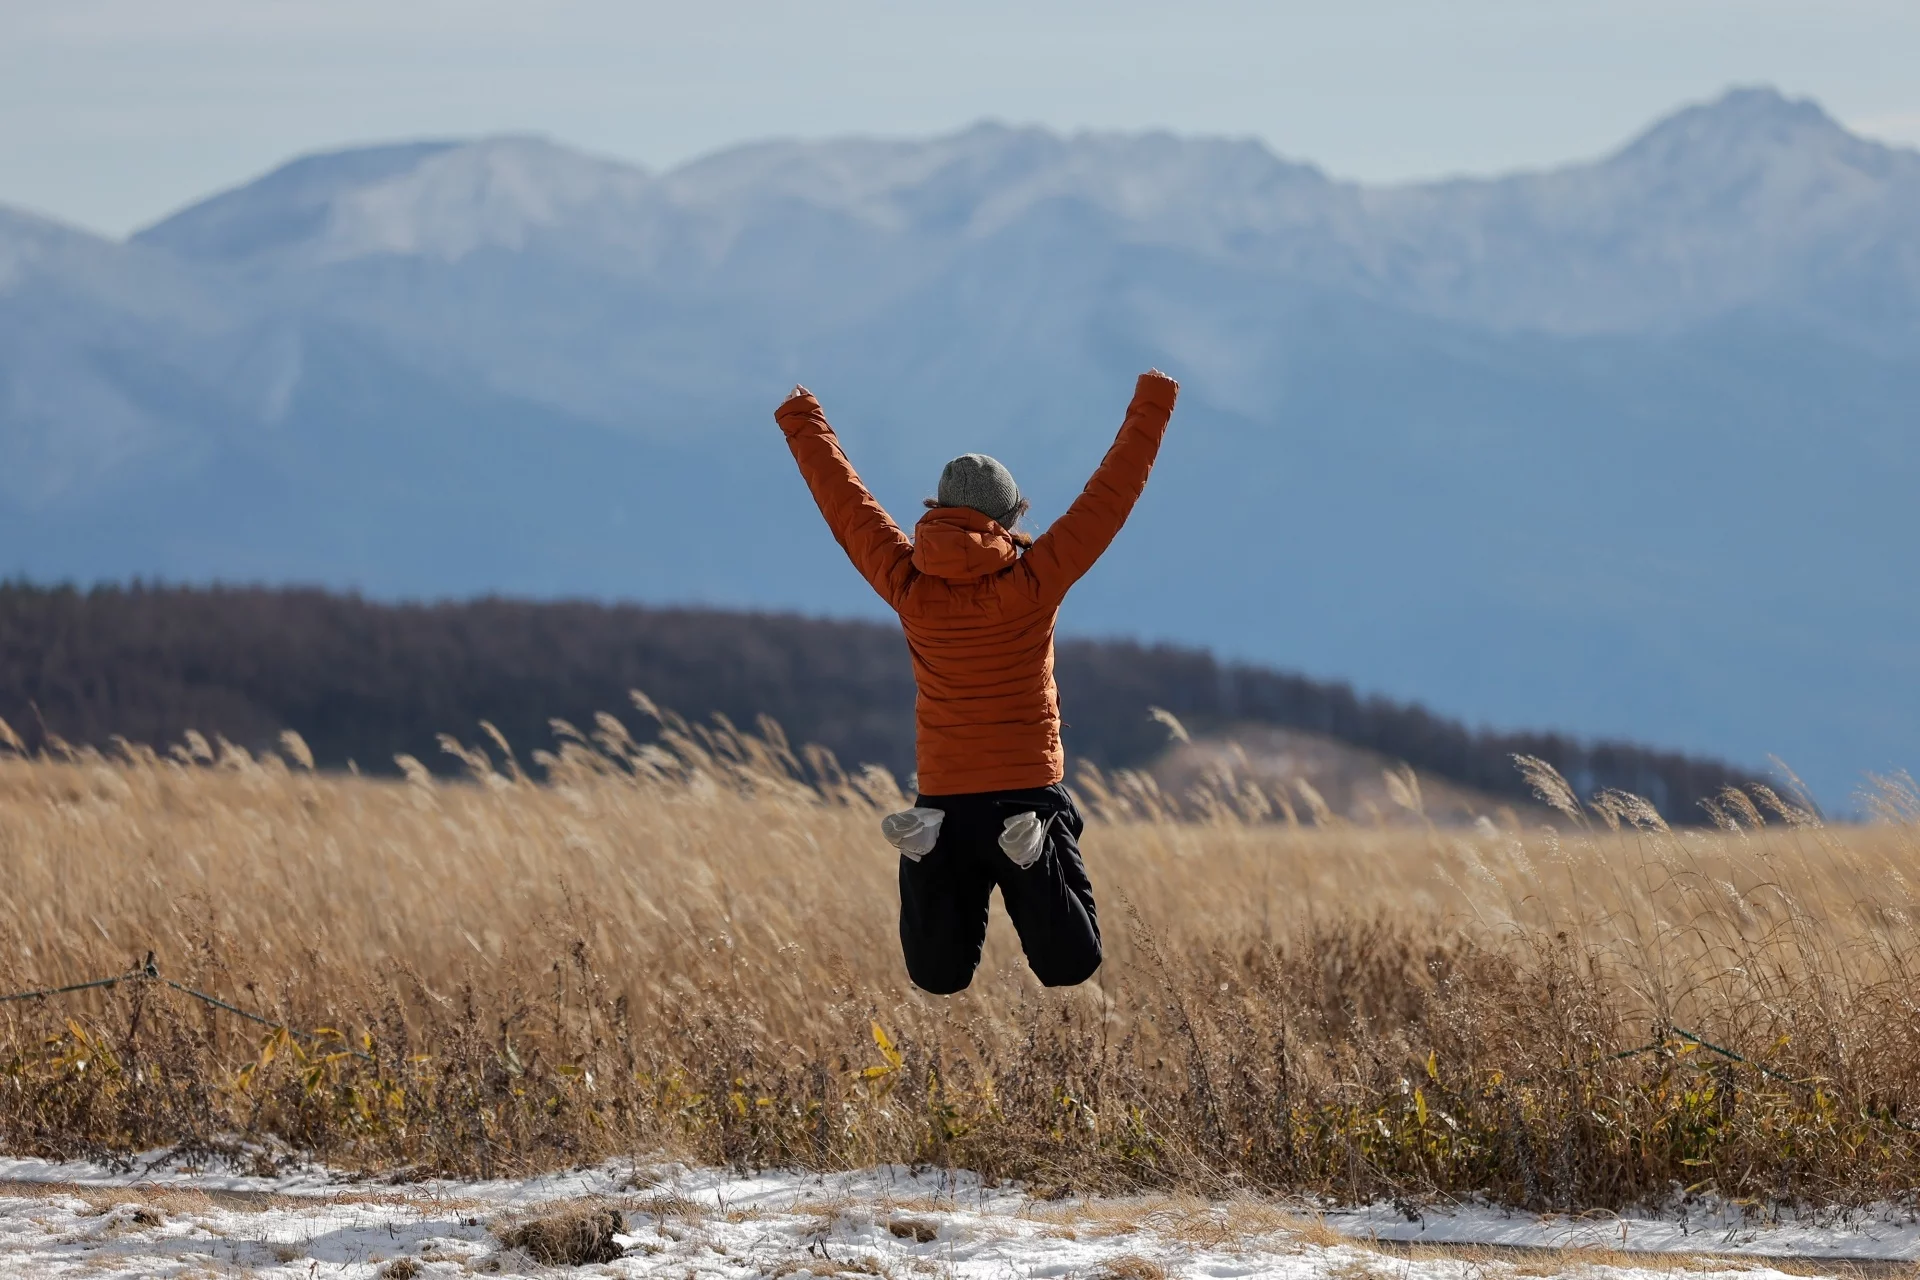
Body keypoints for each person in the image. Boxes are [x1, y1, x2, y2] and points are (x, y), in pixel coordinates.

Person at [775, 370, 1180, 993]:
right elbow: (1111, 494)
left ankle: (925, 855)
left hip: (945, 801)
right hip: (1027, 795)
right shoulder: (1035, 580)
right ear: (1011, 516)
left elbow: (845, 503)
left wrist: (803, 420)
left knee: (939, 975)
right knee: (1072, 962)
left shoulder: (906, 582)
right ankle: (1034, 857)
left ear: (935, 512)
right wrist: (1153, 404)